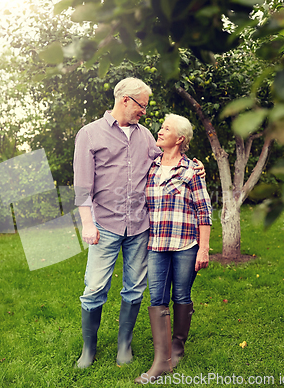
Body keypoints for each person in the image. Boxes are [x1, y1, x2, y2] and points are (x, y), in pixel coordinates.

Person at [73, 78, 205, 369]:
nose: (144, 111)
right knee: (94, 288)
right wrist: (87, 224)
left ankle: (124, 346)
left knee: (134, 289)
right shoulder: (89, 134)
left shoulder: (145, 136)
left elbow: (169, 160)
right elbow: (82, 185)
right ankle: (88, 349)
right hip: (104, 225)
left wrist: (195, 165)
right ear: (126, 101)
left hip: (140, 227)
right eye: (142, 105)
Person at [135, 114, 212, 383]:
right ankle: (162, 360)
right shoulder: (151, 167)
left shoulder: (192, 170)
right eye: (161, 127)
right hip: (156, 244)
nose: (160, 131)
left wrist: (204, 249)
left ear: (180, 139)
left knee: (181, 294)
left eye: (166, 128)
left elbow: (204, 211)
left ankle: (176, 347)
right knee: (157, 297)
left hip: (185, 244)